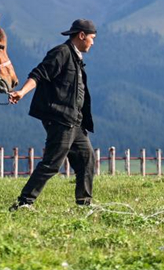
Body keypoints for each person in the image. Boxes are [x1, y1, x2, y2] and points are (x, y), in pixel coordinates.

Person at [8, 19, 97, 210]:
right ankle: (24, 203)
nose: (93, 42)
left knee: (87, 160)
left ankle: (84, 204)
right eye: (92, 38)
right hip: (60, 119)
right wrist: (22, 92)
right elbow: (39, 74)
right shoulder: (62, 53)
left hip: (76, 122)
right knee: (52, 164)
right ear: (81, 35)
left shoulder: (77, 58)